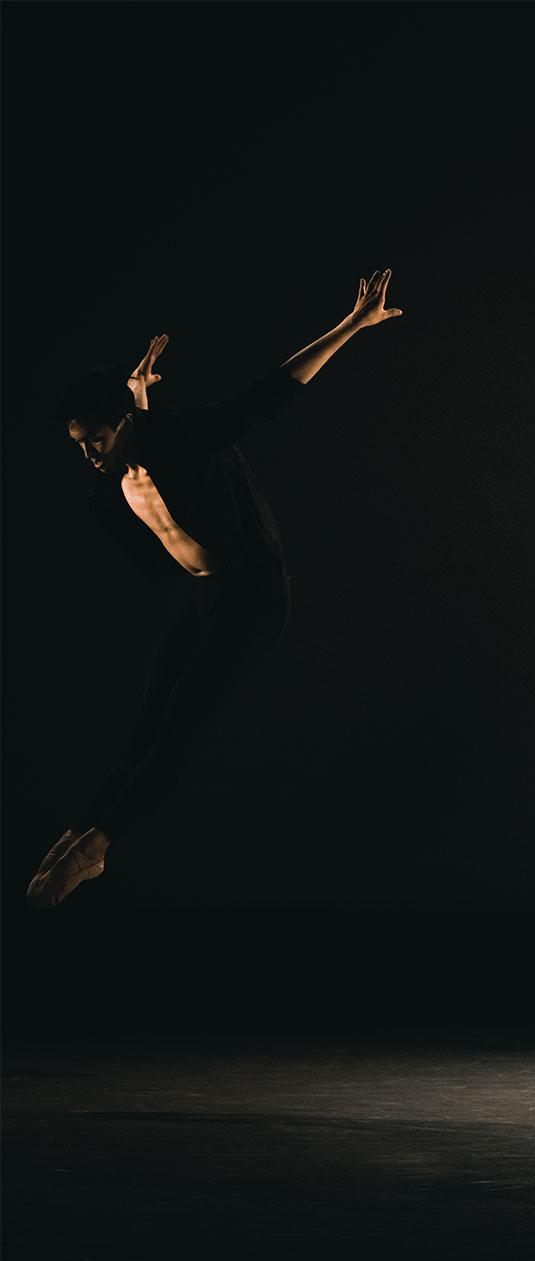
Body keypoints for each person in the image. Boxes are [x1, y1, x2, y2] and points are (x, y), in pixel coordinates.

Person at [26, 270, 404, 908]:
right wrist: (137, 403)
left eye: (97, 440)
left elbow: (267, 396)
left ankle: (94, 849)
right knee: (146, 725)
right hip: (207, 598)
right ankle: (76, 837)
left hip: (255, 596)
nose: (90, 455)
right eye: (80, 446)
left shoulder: (184, 437)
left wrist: (351, 325)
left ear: (119, 424)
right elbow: (152, 471)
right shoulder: (111, 485)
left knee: (176, 727)